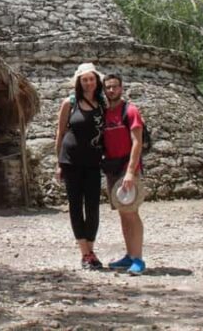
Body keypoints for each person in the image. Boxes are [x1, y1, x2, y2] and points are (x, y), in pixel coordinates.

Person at [55, 62, 106, 270]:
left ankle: (91, 250)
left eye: (91, 79)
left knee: (93, 207)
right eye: (84, 80)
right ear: (79, 82)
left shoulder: (103, 104)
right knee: (75, 207)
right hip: (71, 162)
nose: (88, 83)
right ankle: (85, 253)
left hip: (93, 161)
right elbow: (60, 133)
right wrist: (58, 163)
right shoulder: (70, 102)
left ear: (96, 80)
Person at [102, 73, 146, 275]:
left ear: (121, 88)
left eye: (115, 87)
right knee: (123, 212)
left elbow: (137, 142)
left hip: (128, 168)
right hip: (112, 167)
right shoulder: (104, 113)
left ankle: (138, 259)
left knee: (131, 212)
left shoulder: (131, 111)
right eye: (108, 87)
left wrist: (130, 172)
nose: (111, 90)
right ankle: (129, 255)